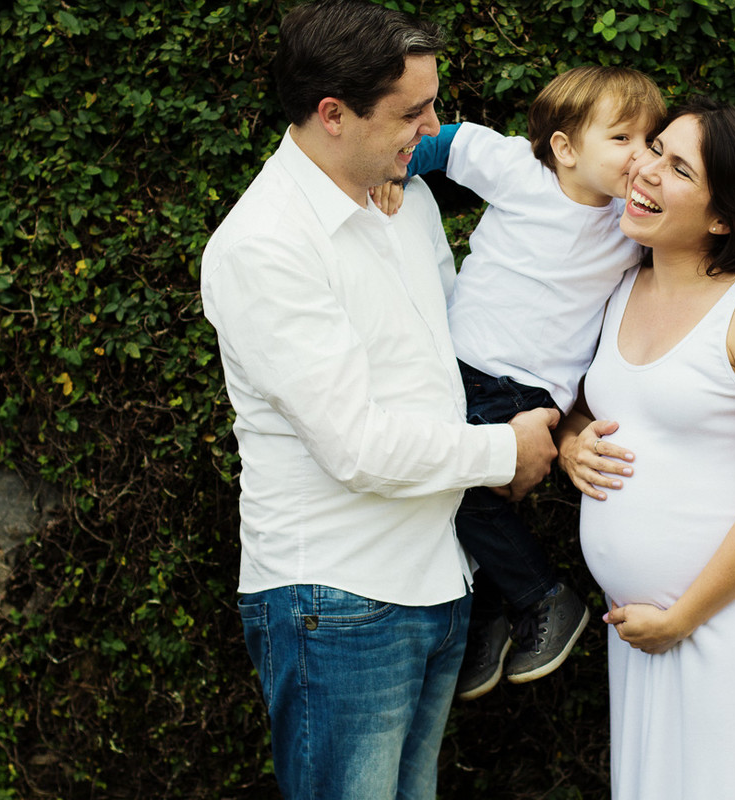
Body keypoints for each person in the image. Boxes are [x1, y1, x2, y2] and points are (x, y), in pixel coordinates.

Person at [198, 2, 559, 798]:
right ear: (333, 114)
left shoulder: (403, 198)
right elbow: (355, 445)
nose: (433, 128)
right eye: (411, 112)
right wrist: (507, 451)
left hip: (438, 580)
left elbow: (459, 355)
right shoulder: (265, 246)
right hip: (337, 600)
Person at [556, 97, 735, 799]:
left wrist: (684, 616)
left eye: (677, 168)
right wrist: (568, 441)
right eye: (654, 148)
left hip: (733, 627)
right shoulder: (619, 285)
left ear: (723, 216)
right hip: (645, 631)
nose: (644, 170)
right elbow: (595, 407)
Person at [401, 67, 666, 700]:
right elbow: (438, 142)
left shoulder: (631, 227)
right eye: (623, 138)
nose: (642, 157)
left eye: (652, 140)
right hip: (460, 365)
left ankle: (544, 598)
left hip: (529, 391)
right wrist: (391, 175)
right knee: (462, 501)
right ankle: (491, 622)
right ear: (566, 148)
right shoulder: (521, 171)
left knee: (460, 492)